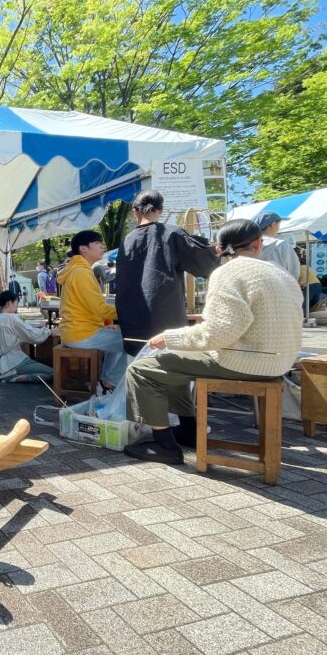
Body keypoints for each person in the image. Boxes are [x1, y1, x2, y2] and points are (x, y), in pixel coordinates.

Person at [123, 219, 302, 465]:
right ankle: (188, 430)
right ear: (258, 244)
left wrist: (169, 337)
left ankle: (164, 444)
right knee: (175, 358)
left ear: (218, 249)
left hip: (244, 361)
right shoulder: (282, 274)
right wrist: (176, 342)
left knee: (141, 370)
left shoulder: (227, 273)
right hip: (281, 363)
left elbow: (219, 333)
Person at [115, 189, 219, 354]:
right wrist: (218, 251)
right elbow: (203, 261)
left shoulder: (127, 240)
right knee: (168, 365)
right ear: (161, 210)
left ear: (135, 211)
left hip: (132, 315)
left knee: (137, 365)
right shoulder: (172, 233)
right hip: (164, 313)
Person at [57, 230, 128, 391]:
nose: (102, 247)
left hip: (77, 331)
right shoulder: (81, 272)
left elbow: (95, 308)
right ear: (83, 248)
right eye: (97, 243)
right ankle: (109, 382)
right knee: (136, 342)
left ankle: (107, 381)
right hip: (81, 334)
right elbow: (100, 308)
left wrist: (110, 320)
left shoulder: (78, 269)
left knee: (118, 338)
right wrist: (129, 313)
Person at [0, 291, 53, 383]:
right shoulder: (12, 318)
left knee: (35, 364)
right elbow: (33, 335)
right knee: (52, 373)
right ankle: (15, 377)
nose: (16, 306)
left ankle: (9, 374)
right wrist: (48, 331)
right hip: (13, 361)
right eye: (16, 303)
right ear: (9, 303)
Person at [256, 211, 300, 278]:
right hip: (280, 285)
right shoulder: (281, 245)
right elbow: (294, 271)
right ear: (273, 224)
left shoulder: (249, 245)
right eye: (278, 224)